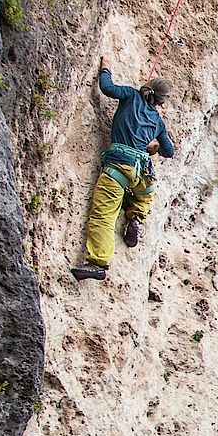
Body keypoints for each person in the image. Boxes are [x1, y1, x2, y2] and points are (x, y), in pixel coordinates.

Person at [72, 56, 175, 281]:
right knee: (143, 196)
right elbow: (169, 151)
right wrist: (153, 147)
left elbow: (106, 88)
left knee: (104, 215)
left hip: (119, 167)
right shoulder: (157, 120)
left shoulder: (129, 95)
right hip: (143, 173)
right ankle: (136, 217)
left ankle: (98, 263)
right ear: (161, 103)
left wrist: (105, 67)